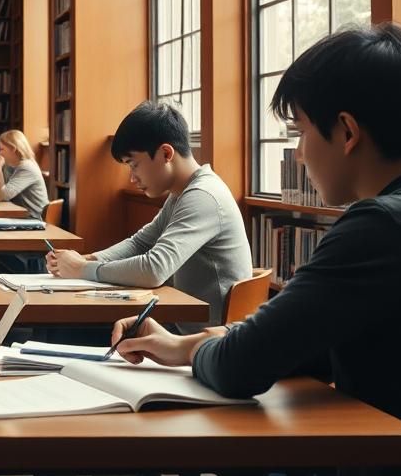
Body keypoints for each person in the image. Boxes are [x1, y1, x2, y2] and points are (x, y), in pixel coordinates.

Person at [110, 23, 401, 476]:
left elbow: (243, 366)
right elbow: (295, 345)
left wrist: (196, 350)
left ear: (347, 131)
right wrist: (186, 344)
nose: (299, 153)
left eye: (302, 130)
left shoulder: (383, 225)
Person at [46, 101, 251, 329]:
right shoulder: (182, 192)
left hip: (205, 342)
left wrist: (81, 269)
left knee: (72, 329)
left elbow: (155, 269)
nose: (132, 178)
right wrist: (88, 259)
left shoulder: (203, 196)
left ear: (165, 153)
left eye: (134, 165)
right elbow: (140, 243)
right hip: (184, 329)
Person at [0, 130, 50, 219]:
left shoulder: (27, 167)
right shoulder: (11, 166)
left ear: (13, 149)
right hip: (22, 216)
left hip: (33, 219)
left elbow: (2, 196)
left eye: (2, 149)